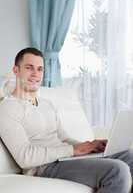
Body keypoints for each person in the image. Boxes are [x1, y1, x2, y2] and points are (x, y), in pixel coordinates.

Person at [0, 47, 133, 193]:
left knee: (128, 155)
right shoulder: (8, 107)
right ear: (16, 70)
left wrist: (90, 146)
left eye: (40, 69)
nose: (35, 74)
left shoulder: (46, 104)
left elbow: (63, 137)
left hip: (64, 158)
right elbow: (25, 157)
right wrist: (73, 150)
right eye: (29, 68)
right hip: (44, 166)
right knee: (117, 170)